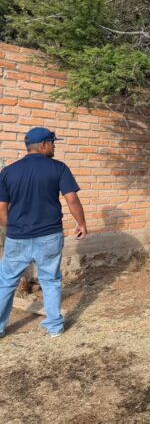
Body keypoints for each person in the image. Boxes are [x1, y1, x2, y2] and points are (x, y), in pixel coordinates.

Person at [0, 128, 87, 338]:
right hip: (49, 236)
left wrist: (12, 228)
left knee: (6, 282)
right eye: (53, 143)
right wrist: (81, 224)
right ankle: (55, 328)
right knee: (51, 281)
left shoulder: (8, 172)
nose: (54, 146)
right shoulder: (58, 168)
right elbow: (72, 199)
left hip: (17, 237)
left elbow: (1, 207)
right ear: (43, 145)